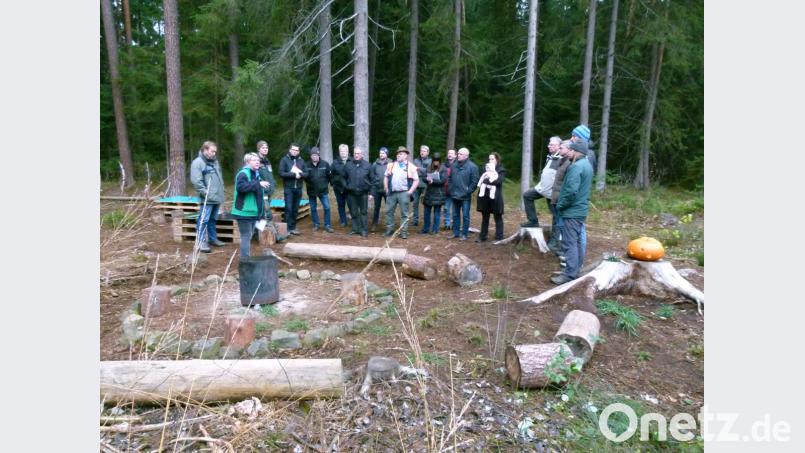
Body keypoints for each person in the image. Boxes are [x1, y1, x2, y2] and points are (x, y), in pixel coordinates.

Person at [551, 140, 593, 285]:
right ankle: (575, 270)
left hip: (572, 211)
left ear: (576, 151)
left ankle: (569, 275)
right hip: (580, 210)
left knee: (569, 243)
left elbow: (570, 191)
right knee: (575, 242)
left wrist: (561, 205)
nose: (569, 153)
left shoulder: (576, 167)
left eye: (571, 151)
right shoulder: (587, 165)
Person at [521, 136, 563, 252]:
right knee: (527, 195)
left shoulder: (562, 158)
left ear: (559, 146)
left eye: (552, 144)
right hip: (542, 189)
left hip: (552, 193)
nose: (549, 146)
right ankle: (533, 221)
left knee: (556, 216)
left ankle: (555, 241)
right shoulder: (550, 157)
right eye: (549, 144)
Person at [231, 153, 270, 258]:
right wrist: (258, 184)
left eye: (258, 160)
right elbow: (241, 188)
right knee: (246, 236)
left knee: (249, 236)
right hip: (243, 212)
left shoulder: (255, 174)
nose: (257, 162)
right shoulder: (243, 173)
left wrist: (261, 213)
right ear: (247, 162)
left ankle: (246, 258)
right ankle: (245, 261)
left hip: (253, 212)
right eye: (254, 160)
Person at [189, 141, 226, 253]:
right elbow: (197, 182)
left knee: (213, 219)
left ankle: (212, 239)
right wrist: (207, 194)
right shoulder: (198, 163)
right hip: (207, 198)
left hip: (217, 197)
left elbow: (219, 178)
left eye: (215, 151)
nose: (214, 153)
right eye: (212, 151)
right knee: (203, 220)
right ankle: (201, 242)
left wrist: (221, 191)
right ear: (205, 150)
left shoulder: (215, 162)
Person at [383, 146, 420, 239]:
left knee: (404, 213)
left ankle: (403, 232)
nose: (398, 155)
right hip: (392, 192)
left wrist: (410, 191)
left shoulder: (411, 166)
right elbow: (386, 177)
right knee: (388, 211)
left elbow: (416, 180)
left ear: (406, 155)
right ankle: (389, 230)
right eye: (398, 154)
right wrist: (386, 188)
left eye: (401, 154)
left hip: (404, 193)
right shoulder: (391, 165)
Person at [549, 140, 575, 263]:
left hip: (561, 199)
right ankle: (557, 246)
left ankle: (563, 249)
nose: (559, 149)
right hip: (555, 197)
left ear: (569, 149)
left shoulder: (570, 164)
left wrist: (562, 200)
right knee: (558, 223)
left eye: (562, 147)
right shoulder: (561, 161)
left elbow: (568, 185)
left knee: (562, 225)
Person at [447, 147, 480, 241]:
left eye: (461, 154)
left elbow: (474, 182)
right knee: (455, 215)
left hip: (465, 196)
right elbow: (449, 178)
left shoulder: (473, 167)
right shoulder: (454, 165)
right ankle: (455, 233)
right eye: (458, 153)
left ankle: (464, 234)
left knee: (465, 215)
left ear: (466, 156)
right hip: (454, 194)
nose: (458, 155)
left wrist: (467, 191)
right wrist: (450, 189)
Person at [475, 152, 506, 243]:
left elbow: (498, 181)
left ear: (497, 160)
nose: (490, 160)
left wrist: (488, 179)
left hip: (495, 197)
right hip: (485, 196)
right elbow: (481, 179)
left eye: (492, 159)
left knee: (498, 216)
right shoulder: (485, 168)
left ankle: (499, 237)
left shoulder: (501, 170)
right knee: (485, 217)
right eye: (489, 159)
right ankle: (483, 236)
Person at [278, 143, 307, 235]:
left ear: (298, 151)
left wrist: (300, 174)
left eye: (296, 150)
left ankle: (293, 228)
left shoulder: (301, 161)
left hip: (298, 188)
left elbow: (307, 174)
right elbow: (281, 173)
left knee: (295, 209)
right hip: (288, 188)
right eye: (293, 150)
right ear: (290, 150)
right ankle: (286, 229)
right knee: (289, 209)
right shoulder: (284, 160)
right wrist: (294, 174)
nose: (295, 151)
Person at [344, 146, 373, 237]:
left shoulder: (367, 165)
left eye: (358, 153)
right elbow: (343, 178)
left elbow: (372, 180)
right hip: (351, 193)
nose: (356, 155)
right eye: (355, 153)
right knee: (353, 212)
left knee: (363, 212)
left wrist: (371, 193)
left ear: (361, 154)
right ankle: (355, 229)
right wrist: (346, 186)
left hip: (363, 193)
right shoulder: (348, 165)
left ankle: (364, 230)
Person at [303, 147, 333, 232]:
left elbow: (329, 176)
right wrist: (309, 183)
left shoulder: (325, 164)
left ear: (319, 155)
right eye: (313, 155)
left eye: (316, 155)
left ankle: (327, 225)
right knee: (313, 208)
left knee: (327, 207)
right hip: (311, 191)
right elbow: (305, 177)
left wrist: (326, 184)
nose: (314, 157)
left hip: (323, 191)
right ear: (311, 156)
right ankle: (316, 224)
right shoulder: (306, 165)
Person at [421, 153, 446, 235]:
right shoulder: (428, 167)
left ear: (440, 161)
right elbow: (423, 177)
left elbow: (443, 181)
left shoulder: (443, 168)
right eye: (434, 161)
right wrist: (427, 179)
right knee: (426, 212)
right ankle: (425, 229)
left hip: (438, 193)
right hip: (429, 192)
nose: (436, 163)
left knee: (437, 213)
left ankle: (435, 230)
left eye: (437, 161)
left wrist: (433, 181)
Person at [369, 147, 390, 232]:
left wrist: (390, 188)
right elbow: (372, 178)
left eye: (383, 153)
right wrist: (372, 192)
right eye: (380, 153)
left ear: (386, 154)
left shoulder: (391, 163)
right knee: (376, 207)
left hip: (387, 190)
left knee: (389, 208)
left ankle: (389, 225)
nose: (381, 154)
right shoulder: (374, 164)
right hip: (377, 190)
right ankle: (374, 224)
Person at [331, 144, 352, 228]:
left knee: (351, 204)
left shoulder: (352, 161)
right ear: (339, 152)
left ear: (348, 152)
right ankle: (343, 220)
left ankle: (353, 219)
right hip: (338, 188)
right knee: (341, 204)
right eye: (341, 151)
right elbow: (331, 175)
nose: (343, 153)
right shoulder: (335, 162)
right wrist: (334, 184)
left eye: (345, 151)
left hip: (349, 188)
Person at [256, 140, 276, 222]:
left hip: (269, 190)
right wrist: (259, 183)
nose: (265, 149)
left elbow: (270, 174)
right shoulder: (255, 160)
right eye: (263, 148)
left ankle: (261, 232)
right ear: (258, 149)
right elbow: (254, 175)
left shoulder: (267, 161)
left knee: (265, 212)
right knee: (266, 212)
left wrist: (273, 183)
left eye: (266, 147)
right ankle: (261, 232)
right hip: (262, 191)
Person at [411, 145, 431, 227]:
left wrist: (419, 169)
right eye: (421, 151)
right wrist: (423, 169)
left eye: (424, 151)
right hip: (416, 184)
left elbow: (429, 170)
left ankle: (427, 221)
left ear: (428, 152)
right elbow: (413, 169)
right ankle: (415, 220)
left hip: (426, 184)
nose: (422, 152)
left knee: (427, 203)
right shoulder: (415, 160)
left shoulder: (430, 161)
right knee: (415, 203)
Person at [441, 149, 456, 230]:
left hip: (454, 190)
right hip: (445, 189)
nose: (450, 154)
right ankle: (447, 224)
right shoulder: (443, 165)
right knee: (446, 208)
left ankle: (454, 223)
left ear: (455, 155)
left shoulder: (458, 165)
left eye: (452, 153)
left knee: (454, 208)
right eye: (449, 153)